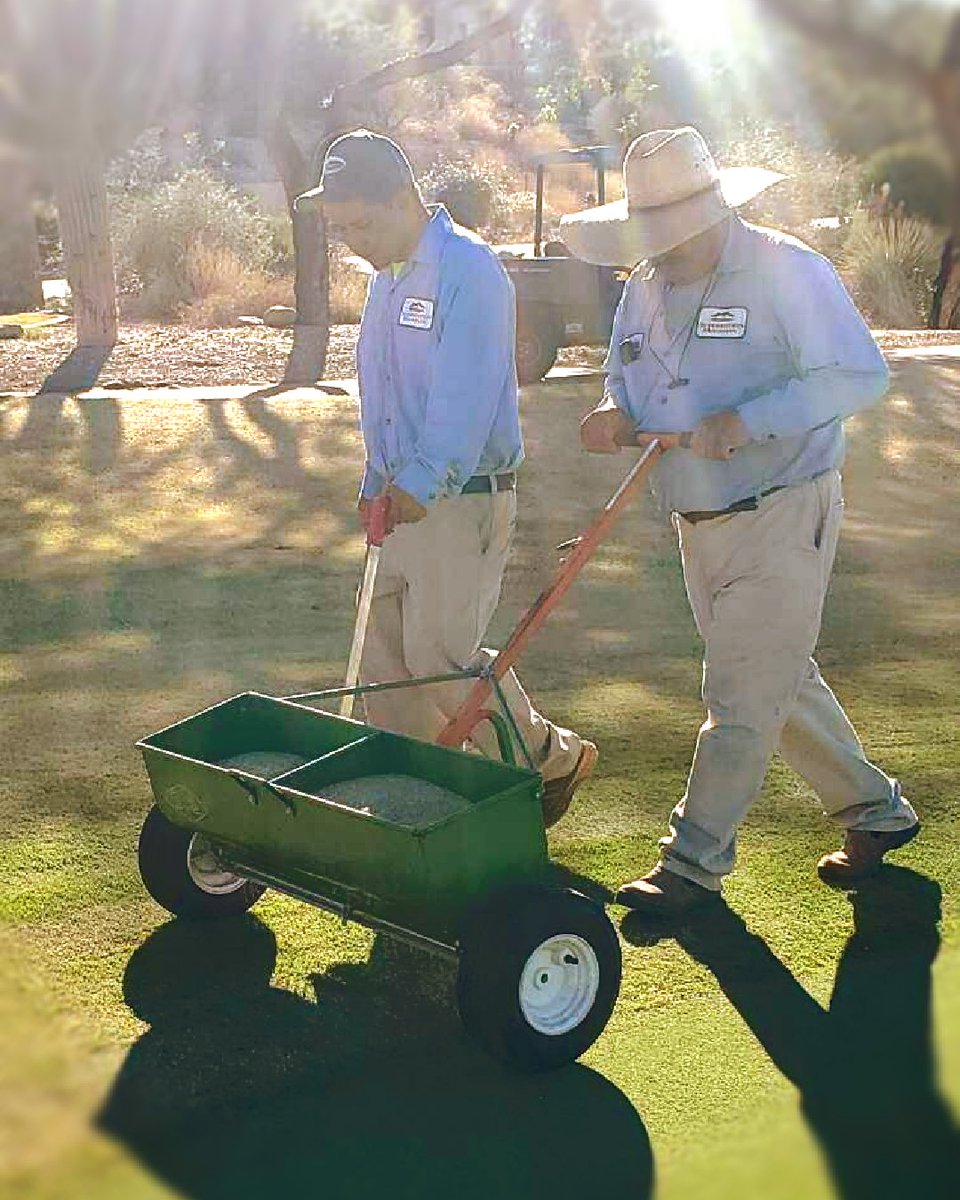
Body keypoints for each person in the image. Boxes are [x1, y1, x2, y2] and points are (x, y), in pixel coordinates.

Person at [565, 127, 919, 913]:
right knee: (776, 681)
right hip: (693, 516)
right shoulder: (643, 285)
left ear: (714, 206)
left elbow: (859, 374)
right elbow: (626, 377)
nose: (663, 246)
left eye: (673, 228)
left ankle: (691, 862)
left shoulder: (790, 270)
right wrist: (612, 415)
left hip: (784, 508)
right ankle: (878, 812)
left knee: (737, 692)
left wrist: (749, 420)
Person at [295, 129, 596, 825]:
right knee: (384, 656)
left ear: (403, 198)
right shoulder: (385, 279)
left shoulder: (470, 271)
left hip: (460, 498)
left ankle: (549, 758)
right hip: (401, 496)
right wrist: (376, 476)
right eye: (340, 229)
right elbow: (382, 390)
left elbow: (462, 396)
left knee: (441, 654)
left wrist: (420, 481)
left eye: (361, 223)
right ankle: (415, 798)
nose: (353, 241)